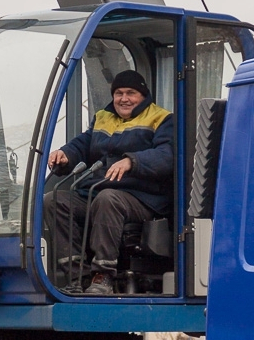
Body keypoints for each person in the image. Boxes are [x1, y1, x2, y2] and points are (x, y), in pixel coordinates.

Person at [44, 70, 174, 294]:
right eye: (119, 93)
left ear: (143, 95)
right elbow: (82, 145)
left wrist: (132, 162)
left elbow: (167, 155)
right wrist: (65, 154)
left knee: (107, 199)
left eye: (131, 93)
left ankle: (103, 275)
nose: (124, 98)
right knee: (54, 200)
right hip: (99, 191)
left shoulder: (161, 118)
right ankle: (77, 276)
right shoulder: (103, 117)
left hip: (142, 198)